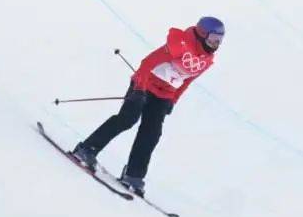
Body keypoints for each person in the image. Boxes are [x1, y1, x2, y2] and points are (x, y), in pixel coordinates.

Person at [71, 16, 224, 196]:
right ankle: (86, 149)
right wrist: (139, 89)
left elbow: (187, 81)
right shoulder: (180, 44)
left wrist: (173, 101)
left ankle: (134, 175)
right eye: (213, 39)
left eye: (219, 40)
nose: (216, 44)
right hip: (144, 84)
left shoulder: (206, 59)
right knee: (127, 119)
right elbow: (148, 62)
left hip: (164, 95)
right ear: (202, 34)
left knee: (151, 134)